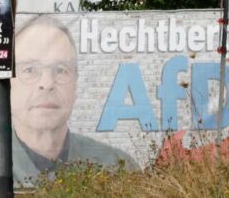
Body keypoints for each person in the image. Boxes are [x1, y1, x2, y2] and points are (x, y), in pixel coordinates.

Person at [11, 15, 137, 186]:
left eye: (61, 70)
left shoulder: (120, 169)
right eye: (30, 69)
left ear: (76, 84)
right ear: (9, 83)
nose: (47, 84)